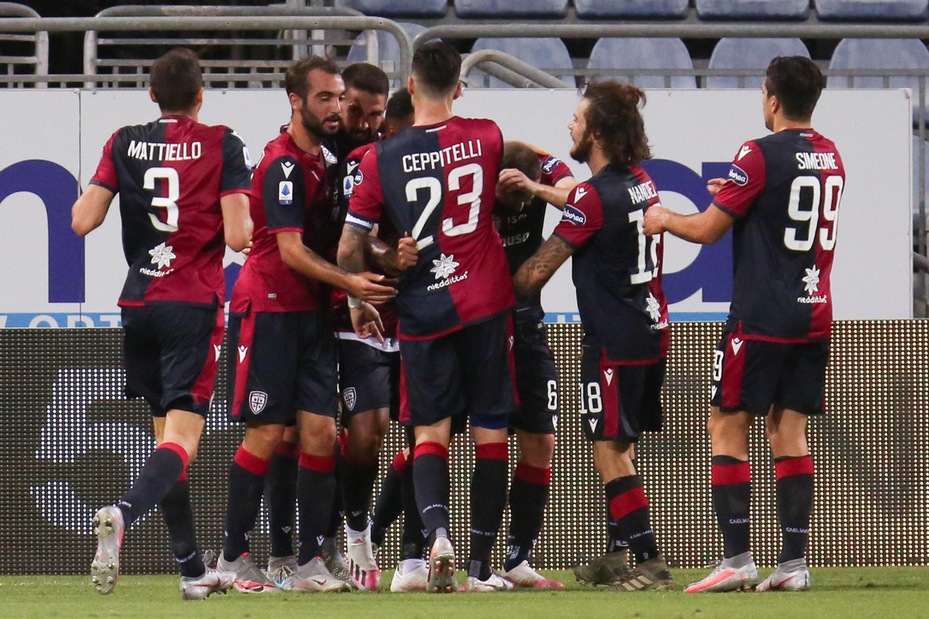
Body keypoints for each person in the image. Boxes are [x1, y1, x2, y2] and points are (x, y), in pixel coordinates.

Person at [643, 55, 843, 593]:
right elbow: (782, 212)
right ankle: (794, 565)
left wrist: (664, 218)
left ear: (773, 100)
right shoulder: (831, 155)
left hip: (760, 316)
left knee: (727, 423)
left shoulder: (757, 154)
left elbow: (708, 231)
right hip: (813, 311)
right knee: (789, 431)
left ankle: (737, 559)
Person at [72, 47, 253, 600]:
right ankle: (123, 513)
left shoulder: (123, 140)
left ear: (152, 95)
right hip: (191, 304)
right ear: (201, 96)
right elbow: (238, 236)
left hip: (139, 304)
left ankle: (192, 569)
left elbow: (82, 220)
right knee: (182, 440)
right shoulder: (222, 143)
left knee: (164, 440)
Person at [338, 40, 517, 593]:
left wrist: (361, 295)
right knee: (490, 432)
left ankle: (437, 536)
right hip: (486, 301)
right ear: (459, 88)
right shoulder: (487, 136)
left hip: (423, 308)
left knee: (429, 432)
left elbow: (348, 249)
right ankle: (480, 568)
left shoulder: (379, 158)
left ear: (410, 85)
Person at [215, 55, 395, 594]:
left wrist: (351, 295)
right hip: (270, 308)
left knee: (321, 432)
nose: (336, 108)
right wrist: (351, 283)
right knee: (267, 432)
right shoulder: (283, 165)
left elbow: (340, 236)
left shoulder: (326, 159)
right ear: (296, 101)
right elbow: (291, 251)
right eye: (325, 99)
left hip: (312, 314)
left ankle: (310, 563)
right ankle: (231, 557)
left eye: (339, 98)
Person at [512, 80, 674, 592]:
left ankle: (648, 562)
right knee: (621, 442)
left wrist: (477, 273)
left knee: (608, 449)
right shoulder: (640, 181)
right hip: (651, 330)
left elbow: (534, 274)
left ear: (597, 132)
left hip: (613, 340)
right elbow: (584, 201)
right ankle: (617, 554)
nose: (570, 125)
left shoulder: (592, 196)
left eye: (577, 119)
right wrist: (538, 187)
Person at [330, 88, 419, 592]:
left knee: (425, 436)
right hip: (364, 313)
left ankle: (411, 555)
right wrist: (388, 258)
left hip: (423, 315)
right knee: (368, 430)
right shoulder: (366, 162)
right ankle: (357, 535)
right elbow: (355, 235)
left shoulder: (446, 161)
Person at [493, 141, 577, 589]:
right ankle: (407, 547)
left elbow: (578, 197)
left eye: (522, 196)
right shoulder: (473, 175)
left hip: (527, 330)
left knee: (541, 440)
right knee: (441, 439)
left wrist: (534, 188)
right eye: (510, 197)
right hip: (479, 333)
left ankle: (517, 559)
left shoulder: (542, 171)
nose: (518, 206)